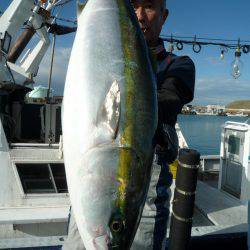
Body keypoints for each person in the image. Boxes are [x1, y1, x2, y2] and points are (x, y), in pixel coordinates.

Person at [63, 0, 195, 249]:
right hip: (92, 184)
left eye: (149, 6)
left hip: (142, 194)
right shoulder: (94, 46)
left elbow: (169, 98)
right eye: (133, 5)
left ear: (163, 15)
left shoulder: (179, 65)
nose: (140, 15)